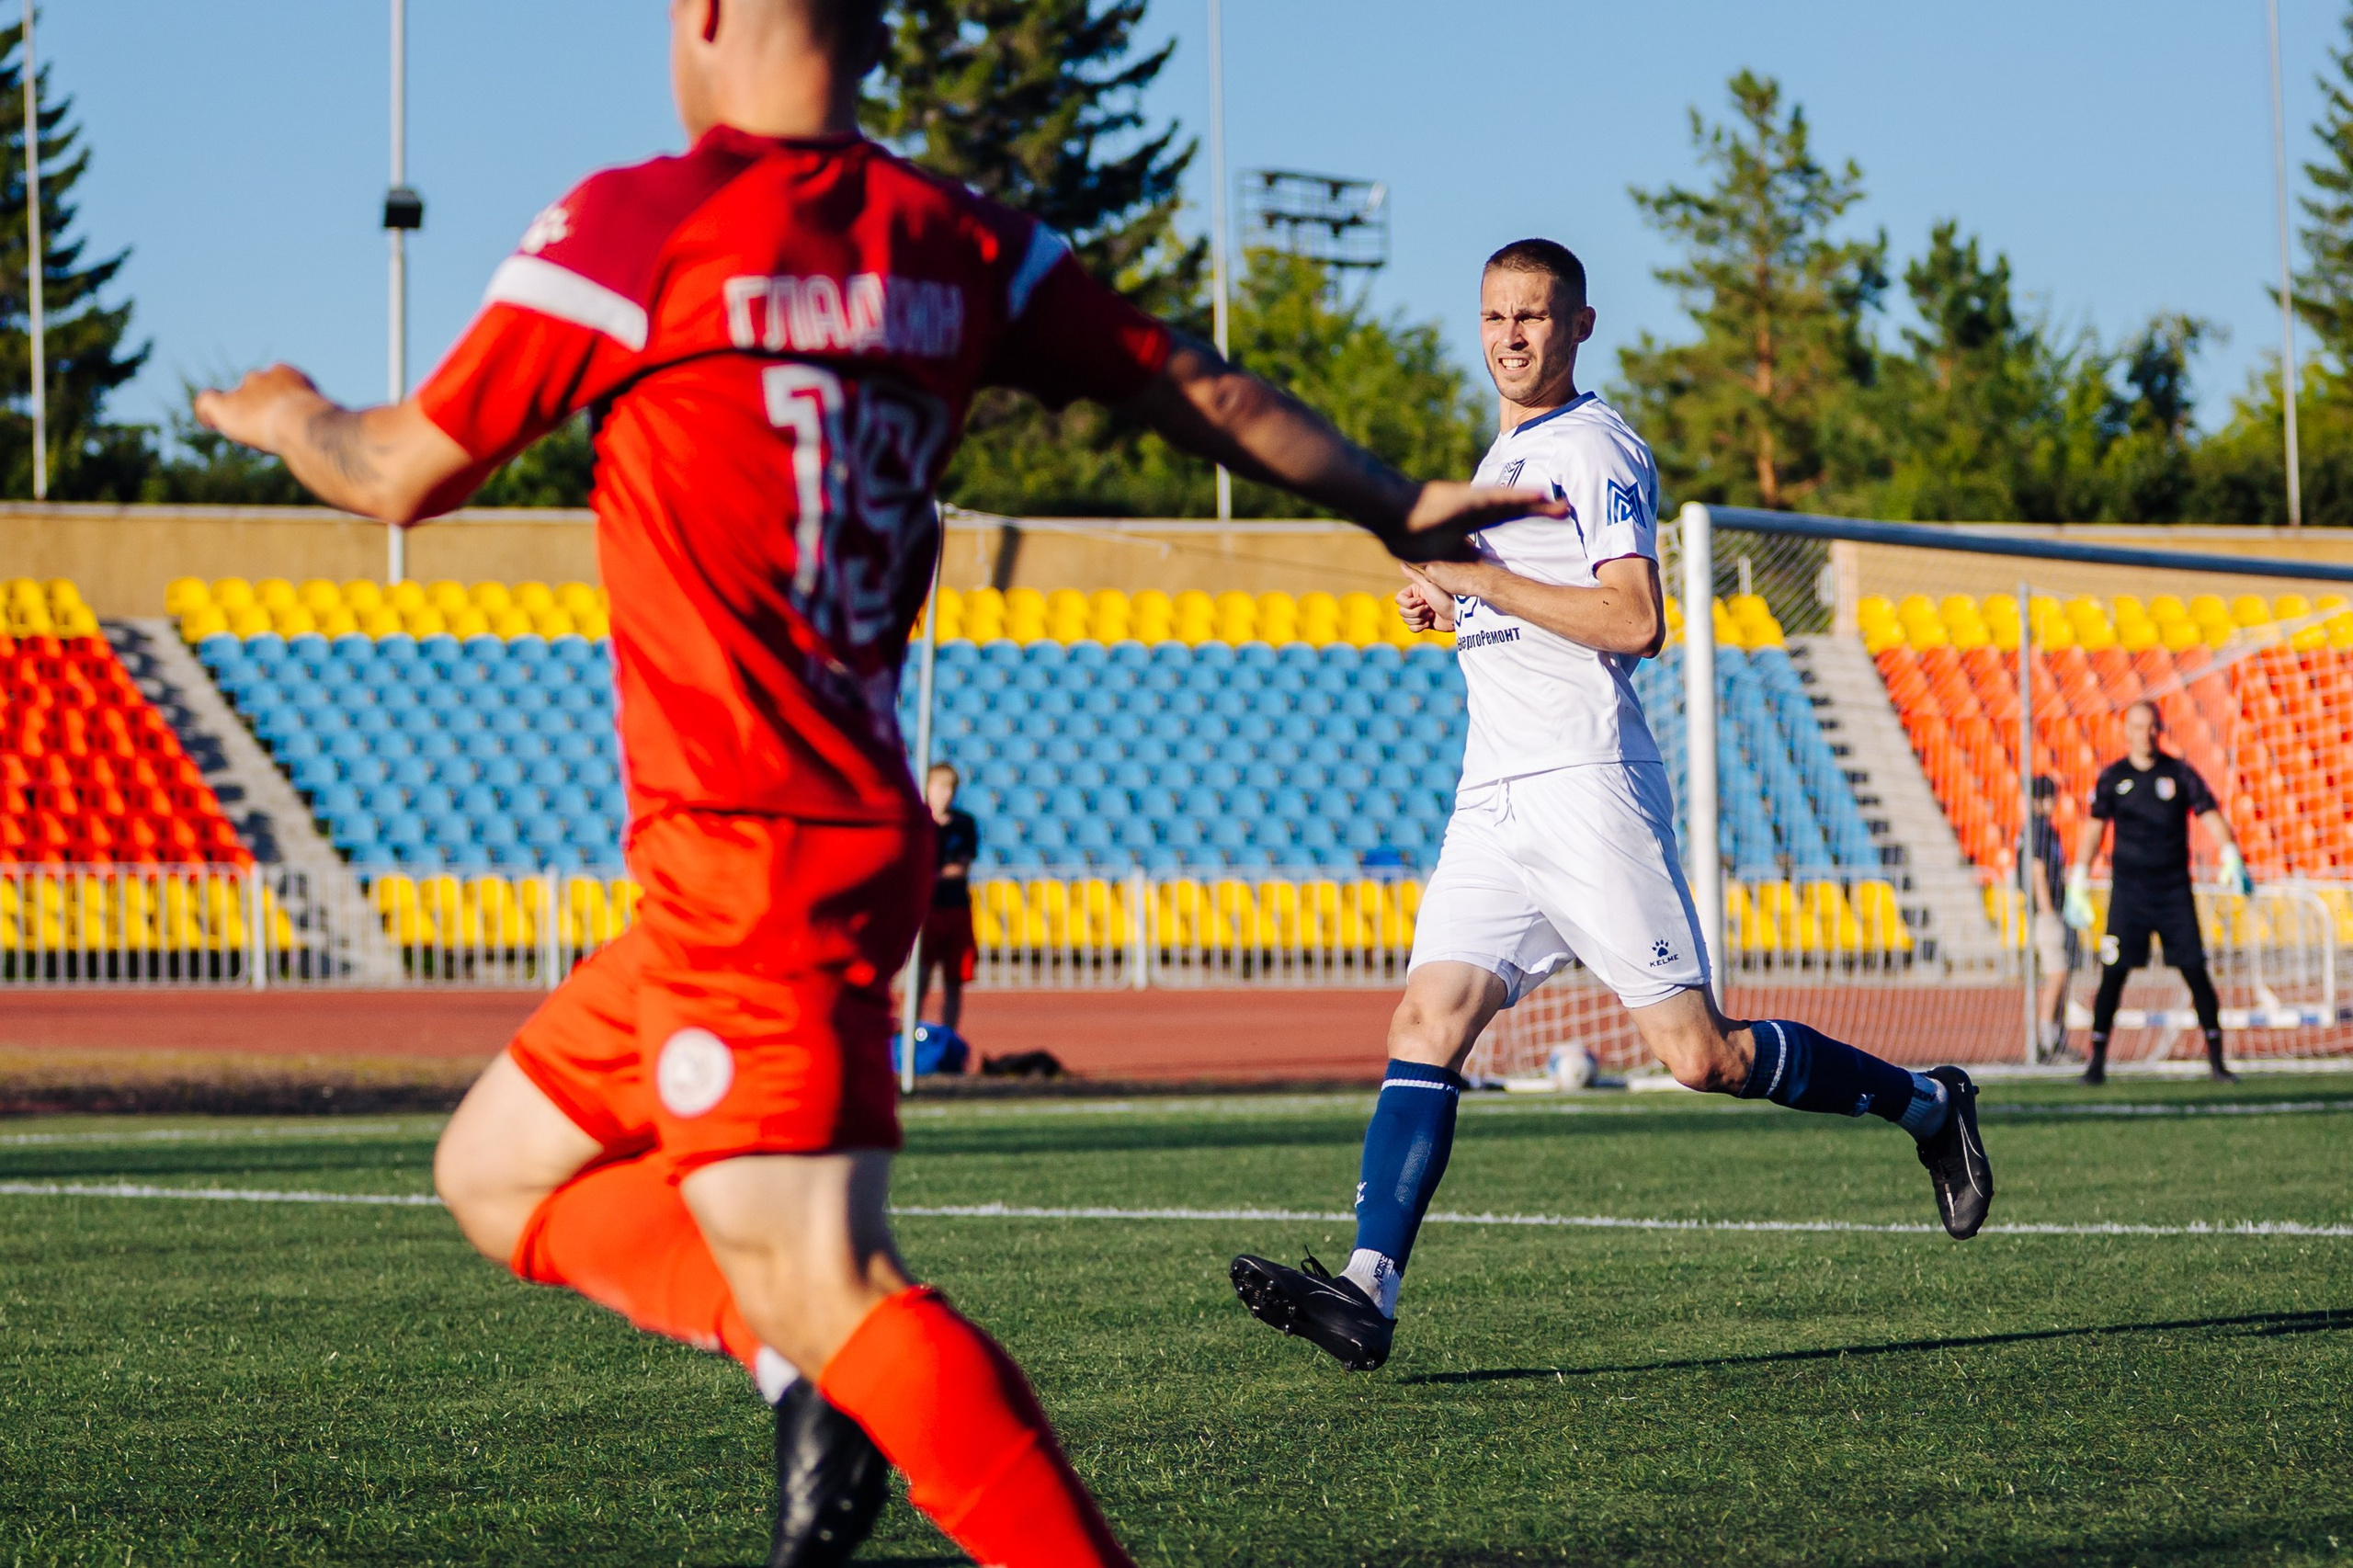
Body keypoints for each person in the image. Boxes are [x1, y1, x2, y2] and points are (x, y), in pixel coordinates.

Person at [193, 3, 1553, 1560]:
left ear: (705, 13)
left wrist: (276, 403)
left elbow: (395, 471)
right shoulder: (954, 238)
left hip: (749, 855)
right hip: (803, 839)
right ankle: (801, 1366)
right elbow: (1198, 385)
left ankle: (828, 1358)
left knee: (846, 1289)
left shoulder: (638, 222)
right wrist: (1392, 500)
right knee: (495, 1168)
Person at [1229, 239, 1995, 1374]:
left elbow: (1634, 618)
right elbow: (1530, 602)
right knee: (1423, 1026)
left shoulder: (1592, 446)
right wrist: (1456, 607)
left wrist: (1476, 577)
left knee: (1704, 1057)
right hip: (1491, 796)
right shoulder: (1509, 450)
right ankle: (1367, 1288)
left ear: (1580, 325)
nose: (1510, 335)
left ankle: (1930, 1104)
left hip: (1585, 789)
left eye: (1534, 316)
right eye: (1494, 315)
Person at [2063, 699, 2249, 1085]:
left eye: (2151, 727)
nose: (2145, 734)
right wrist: (2079, 878)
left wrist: (2230, 852)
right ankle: (2096, 1062)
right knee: (2114, 975)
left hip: (2173, 893)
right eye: (2137, 726)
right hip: (2128, 894)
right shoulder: (2113, 778)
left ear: (2159, 730)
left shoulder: (2179, 774)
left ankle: (2217, 1060)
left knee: (2195, 972)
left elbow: (2211, 815)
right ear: (2127, 730)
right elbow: (2095, 830)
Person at [918, 761, 978, 1037]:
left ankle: (949, 1039)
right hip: (925, 911)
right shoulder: (917, 821)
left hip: (956, 908)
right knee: (921, 977)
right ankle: (910, 1039)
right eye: (941, 787)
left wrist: (930, 875)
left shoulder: (964, 824)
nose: (946, 794)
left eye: (951, 788)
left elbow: (960, 868)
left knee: (954, 981)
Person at [2025, 775, 2075, 1061]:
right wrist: (2047, 910)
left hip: (2050, 910)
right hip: (2047, 912)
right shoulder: (2039, 828)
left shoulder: (2041, 828)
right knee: (2057, 976)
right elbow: (2037, 869)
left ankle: (2056, 1038)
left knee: (2061, 975)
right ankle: (2047, 1042)